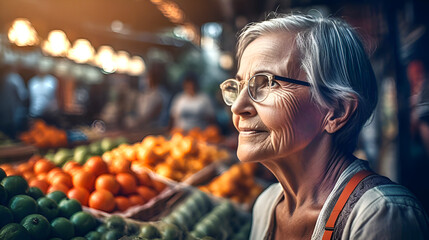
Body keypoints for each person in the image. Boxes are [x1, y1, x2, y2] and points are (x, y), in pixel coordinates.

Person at [219, 13, 429, 239]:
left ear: (336, 112)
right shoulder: (267, 204)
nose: (238, 106)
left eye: (267, 83)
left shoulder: (381, 217)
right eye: (239, 86)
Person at [0, 64, 28, 138]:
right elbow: (23, 96)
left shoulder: (4, 78)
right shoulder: (15, 78)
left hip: (4, 113)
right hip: (13, 113)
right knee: (12, 135)